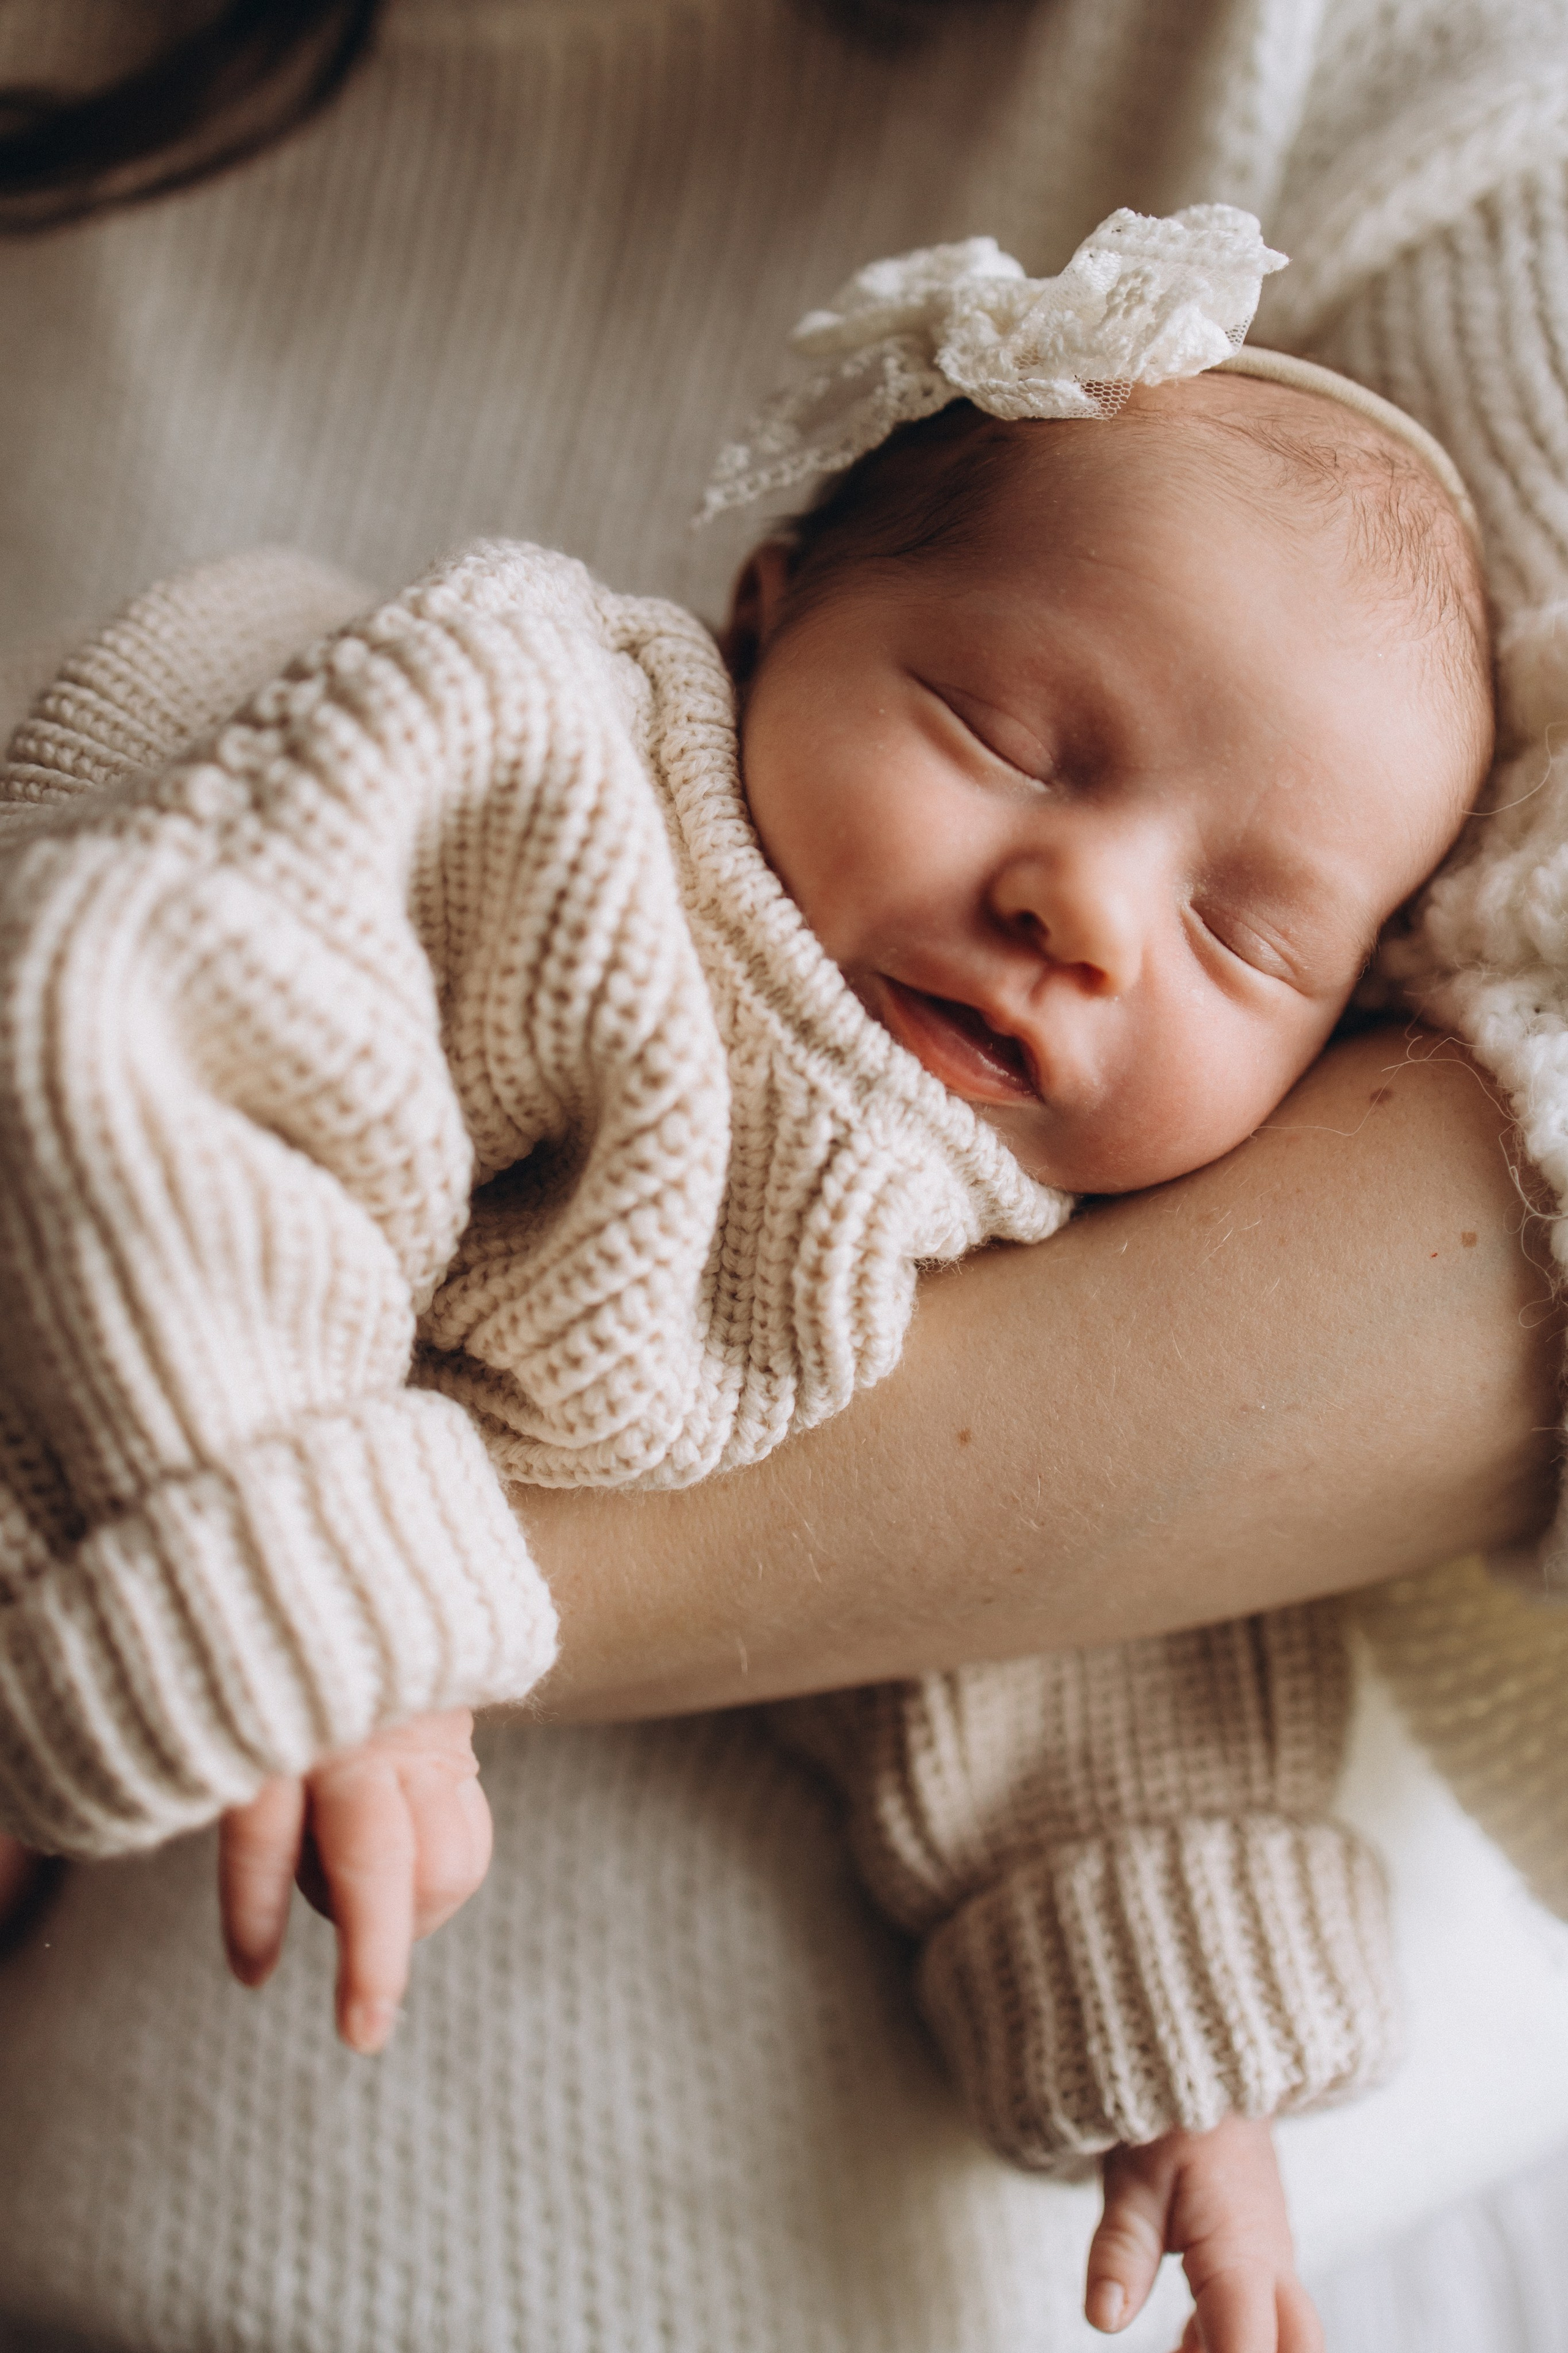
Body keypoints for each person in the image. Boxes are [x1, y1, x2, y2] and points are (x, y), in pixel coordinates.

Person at [1, 6, 1567, 2352]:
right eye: (1004, 734)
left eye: (1248, 936)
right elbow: (170, 1034)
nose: (1088, 907)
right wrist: (307, 1528)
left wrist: (1180, 2043)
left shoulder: (1009, 1191)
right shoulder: (547, 785)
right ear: (773, 603)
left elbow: (1068, 1626)